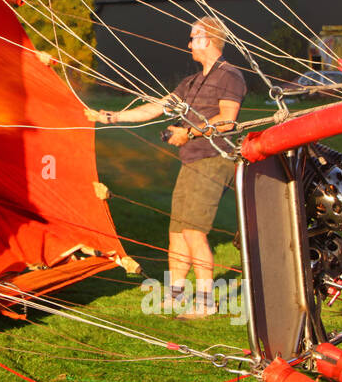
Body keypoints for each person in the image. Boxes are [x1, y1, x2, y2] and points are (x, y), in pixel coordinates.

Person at [86, 17, 244, 317]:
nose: (188, 44)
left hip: (213, 160)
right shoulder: (193, 81)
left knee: (195, 232)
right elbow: (156, 107)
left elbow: (228, 120)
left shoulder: (230, 75)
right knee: (177, 233)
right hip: (191, 161)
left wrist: (190, 132)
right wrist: (111, 117)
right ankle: (175, 295)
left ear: (207, 39)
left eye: (193, 37)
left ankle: (206, 302)